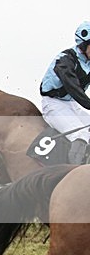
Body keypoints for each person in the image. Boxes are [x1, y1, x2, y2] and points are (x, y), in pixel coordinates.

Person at [40, 21, 90, 164]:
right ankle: (72, 174)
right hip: (53, 104)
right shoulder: (66, 60)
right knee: (80, 135)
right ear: (84, 44)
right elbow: (73, 88)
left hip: (72, 104)